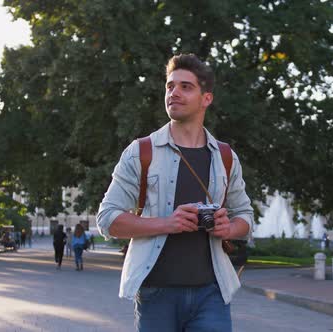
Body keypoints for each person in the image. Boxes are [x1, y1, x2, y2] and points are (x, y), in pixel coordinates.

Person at [97, 54, 254, 331]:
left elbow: (245, 217)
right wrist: (168, 223)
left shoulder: (226, 157)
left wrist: (228, 228)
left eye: (186, 87)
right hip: (156, 293)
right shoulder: (141, 152)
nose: (174, 93)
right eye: (170, 86)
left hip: (212, 293)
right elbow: (108, 220)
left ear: (206, 98)